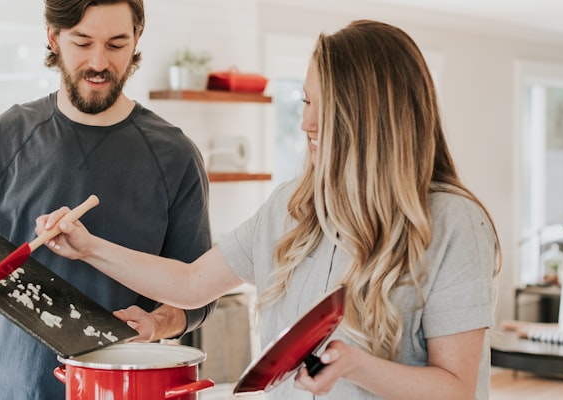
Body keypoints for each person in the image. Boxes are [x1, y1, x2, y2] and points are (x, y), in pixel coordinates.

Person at [41, 19, 501, 400]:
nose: (306, 122)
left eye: (325, 107)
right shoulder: (292, 206)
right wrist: (88, 247)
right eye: (304, 101)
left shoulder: (453, 223)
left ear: (371, 116)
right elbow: (191, 283)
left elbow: (457, 388)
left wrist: (356, 365)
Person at [0, 0, 215, 399]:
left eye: (117, 44)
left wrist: (159, 323)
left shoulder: (175, 155)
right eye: (83, 43)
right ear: (54, 37)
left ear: (137, 39)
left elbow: (199, 293)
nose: (99, 62)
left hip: (117, 390)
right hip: (7, 388)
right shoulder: (4, 136)